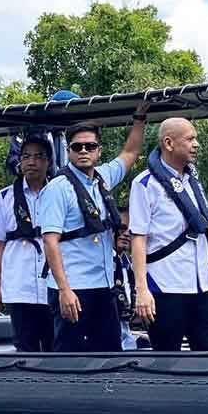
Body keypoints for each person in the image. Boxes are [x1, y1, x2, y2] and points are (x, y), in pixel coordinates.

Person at [38, 103, 148, 352]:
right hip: (74, 289)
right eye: (77, 147)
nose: (84, 151)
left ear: (99, 150)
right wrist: (65, 291)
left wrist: (139, 118)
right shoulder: (58, 188)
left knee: (109, 354)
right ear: (69, 151)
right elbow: (50, 241)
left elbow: (130, 153)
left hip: (103, 286)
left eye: (90, 146)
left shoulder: (103, 178)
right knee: (71, 358)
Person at [130, 118, 208, 352]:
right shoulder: (145, 184)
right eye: (190, 139)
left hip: (203, 285)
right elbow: (138, 238)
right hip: (166, 285)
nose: (196, 144)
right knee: (168, 357)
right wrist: (141, 290)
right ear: (168, 143)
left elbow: (192, 229)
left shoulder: (192, 179)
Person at [0, 134, 52, 351]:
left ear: (48, 161)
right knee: (25, 349)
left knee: (58, 349)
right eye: (26, 157)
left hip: (54, 286)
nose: (31, 162)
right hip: (19, 286)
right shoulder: (4, 197)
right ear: (19, 161)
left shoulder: (59, 193)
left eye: (38, 156)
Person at [112, 207, 139, 351]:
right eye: (122, 229)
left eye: (131, 230)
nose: (126, 234)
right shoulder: (104, 264)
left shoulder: (130, 264)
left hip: (127, 327)